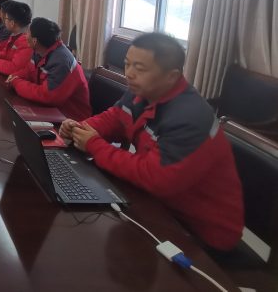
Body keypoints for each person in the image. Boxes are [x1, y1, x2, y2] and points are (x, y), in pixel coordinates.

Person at [59, 33, 244, 251]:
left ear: (172, 76)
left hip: (200, 230)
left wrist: (94, 145)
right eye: (127, 64)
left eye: (140, 68)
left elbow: (156, 178)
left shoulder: (190, 118)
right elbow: (115, 119)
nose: (129, 73)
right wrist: (79, 128)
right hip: (158, 205)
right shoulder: (142, 92)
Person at [6, 18, 90, 120]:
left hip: (71, 118)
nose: (25, 35)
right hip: (50, 110)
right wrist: (15, 76)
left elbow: (46, 96)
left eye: (28, 33)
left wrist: (17, 83)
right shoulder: (39, 50)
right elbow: (29, 71)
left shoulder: (61, 61)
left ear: (35, 41)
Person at [0, 1, 33, 76]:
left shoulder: (26, 40)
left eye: (5, 18)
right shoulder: (15, 35)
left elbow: (14, 68)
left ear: (12, 23)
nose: (3, 21)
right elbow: (6, 53)